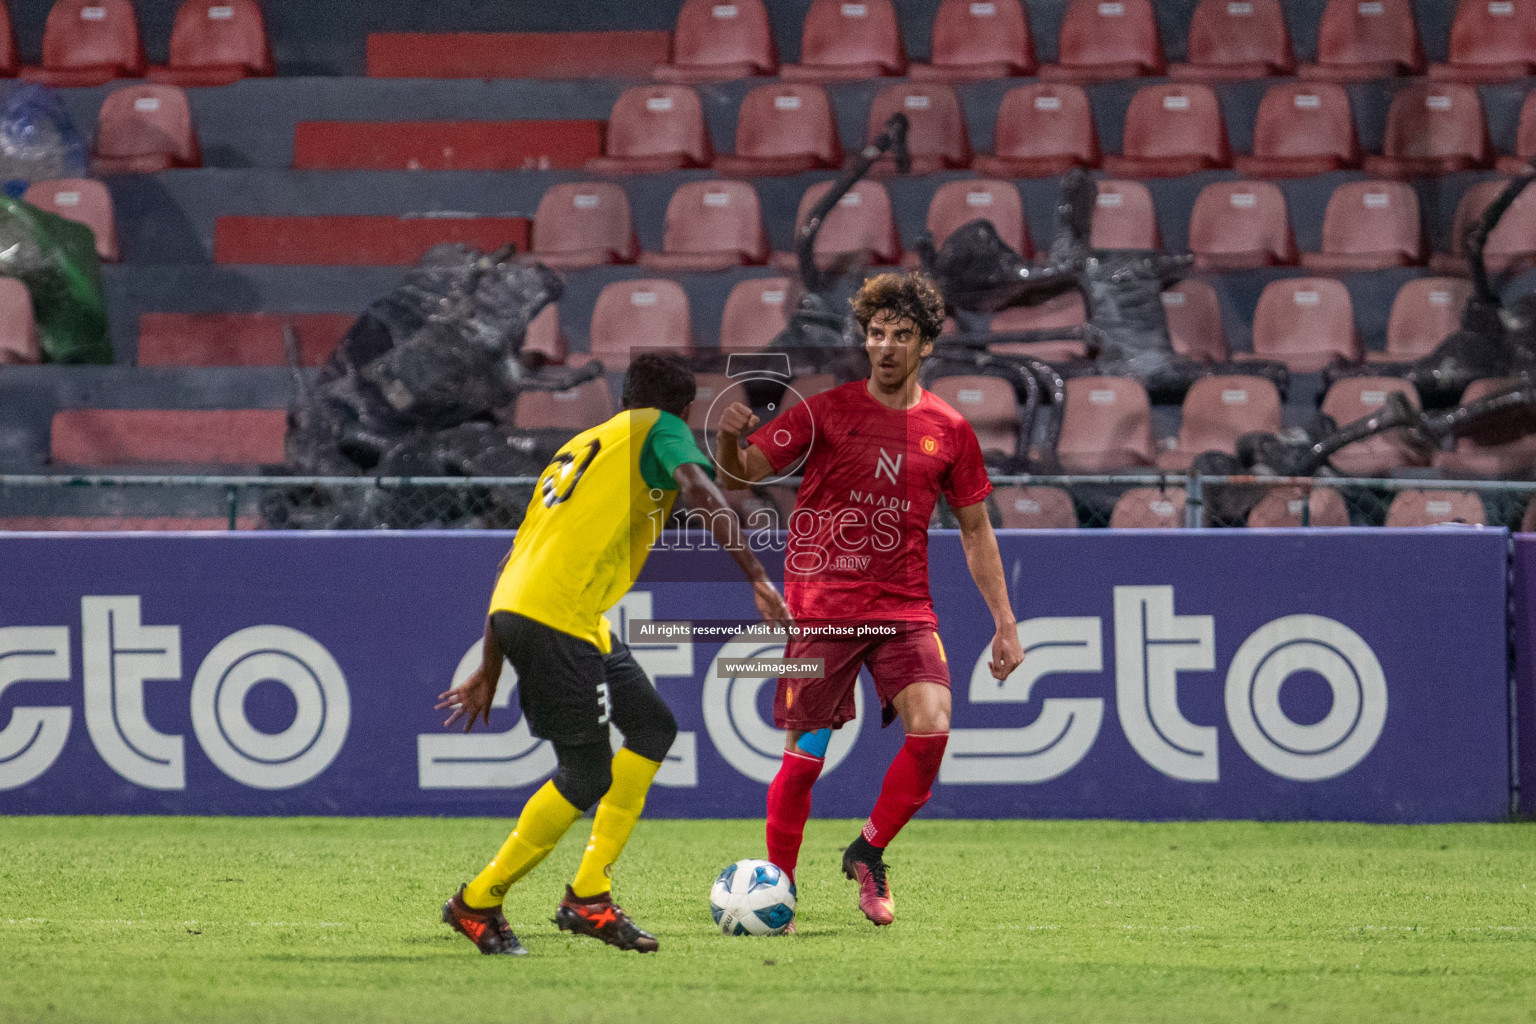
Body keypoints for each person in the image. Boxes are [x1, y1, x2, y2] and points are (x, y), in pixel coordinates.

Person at [436, 353, 792, 956]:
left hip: (554, 614)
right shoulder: (661, 427)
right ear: (682, 410)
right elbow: (700, 488)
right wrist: (757, 576)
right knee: (587, 773)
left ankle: (588, 896)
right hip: (556, 619)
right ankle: (478, 902)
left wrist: (491, 667)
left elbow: (515, 563)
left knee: (652, 728)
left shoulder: (581, 447)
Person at [714, 271, 1024, 927]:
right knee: (804, 761)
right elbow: (739, 473)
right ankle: (779, 890)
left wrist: (1004, 622)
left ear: (927, 345)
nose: (885, 346)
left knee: (933, 724)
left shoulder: (951, 431)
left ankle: (868, 849)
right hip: (824, 610)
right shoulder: (826, 411)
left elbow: (976, 531)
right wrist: (724, 439)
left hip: (905, 608)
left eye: (901, 335)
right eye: (876, 333)